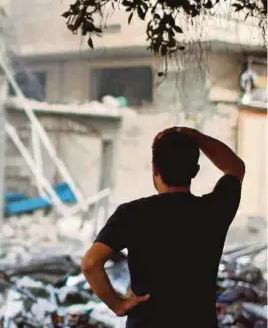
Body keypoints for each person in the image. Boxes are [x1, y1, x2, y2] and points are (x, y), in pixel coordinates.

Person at [81, 127, 245, 328]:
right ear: (195, 171)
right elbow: (235, 168)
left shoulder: (132, 214)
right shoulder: (213, 210)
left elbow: (91, 263)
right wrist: (198, 137)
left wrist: (118, 305)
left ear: (154, 168)